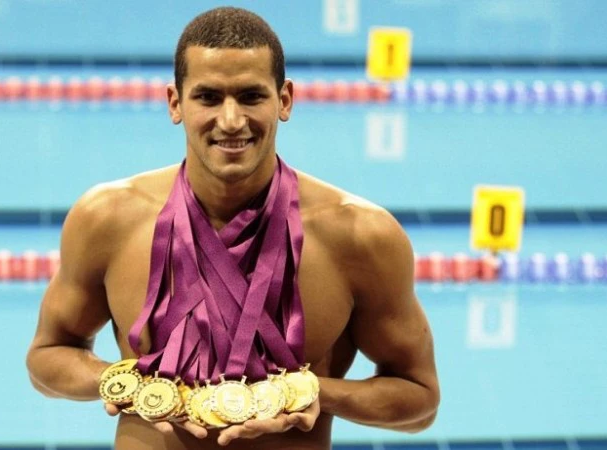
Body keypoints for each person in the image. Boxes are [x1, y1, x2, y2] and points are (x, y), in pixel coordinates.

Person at [26, 6, 439, 450]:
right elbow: (47, 357)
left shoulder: (360, 236)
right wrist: (122, 383)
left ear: (284, 100)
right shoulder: (107, 218)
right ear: (174, 103)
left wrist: (309, 393)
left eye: (250, 96)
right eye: (207, 97)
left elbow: (420, 399)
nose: (230, 120)